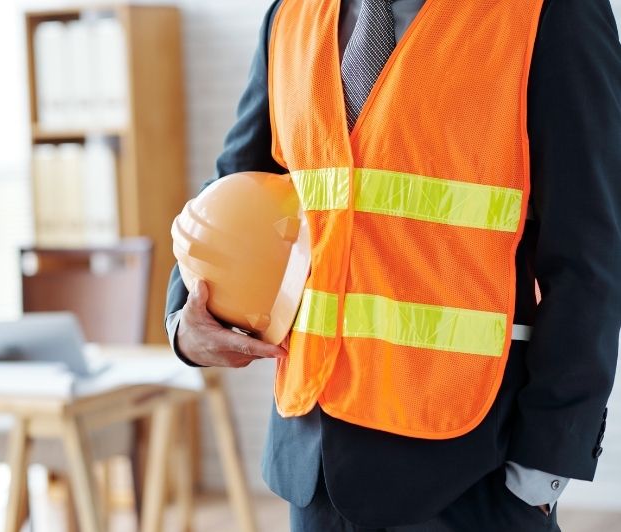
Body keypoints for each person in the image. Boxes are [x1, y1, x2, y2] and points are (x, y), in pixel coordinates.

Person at [165, 1, 621, 530]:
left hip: (472, 470)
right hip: (311, 464)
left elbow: (591, 253)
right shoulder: (291, 13)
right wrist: (185, 316)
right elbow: (234, 184)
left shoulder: (548, 12)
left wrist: (541, 469)